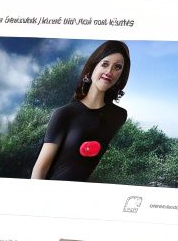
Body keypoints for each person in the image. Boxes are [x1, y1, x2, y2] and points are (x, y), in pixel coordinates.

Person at [31, 40, 131, 181]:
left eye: (117, 67)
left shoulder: (119, 116)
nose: (109, 72)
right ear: (92, 68)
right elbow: (40, 168)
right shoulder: (65, 114)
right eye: (105, 64)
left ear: (122, 74)